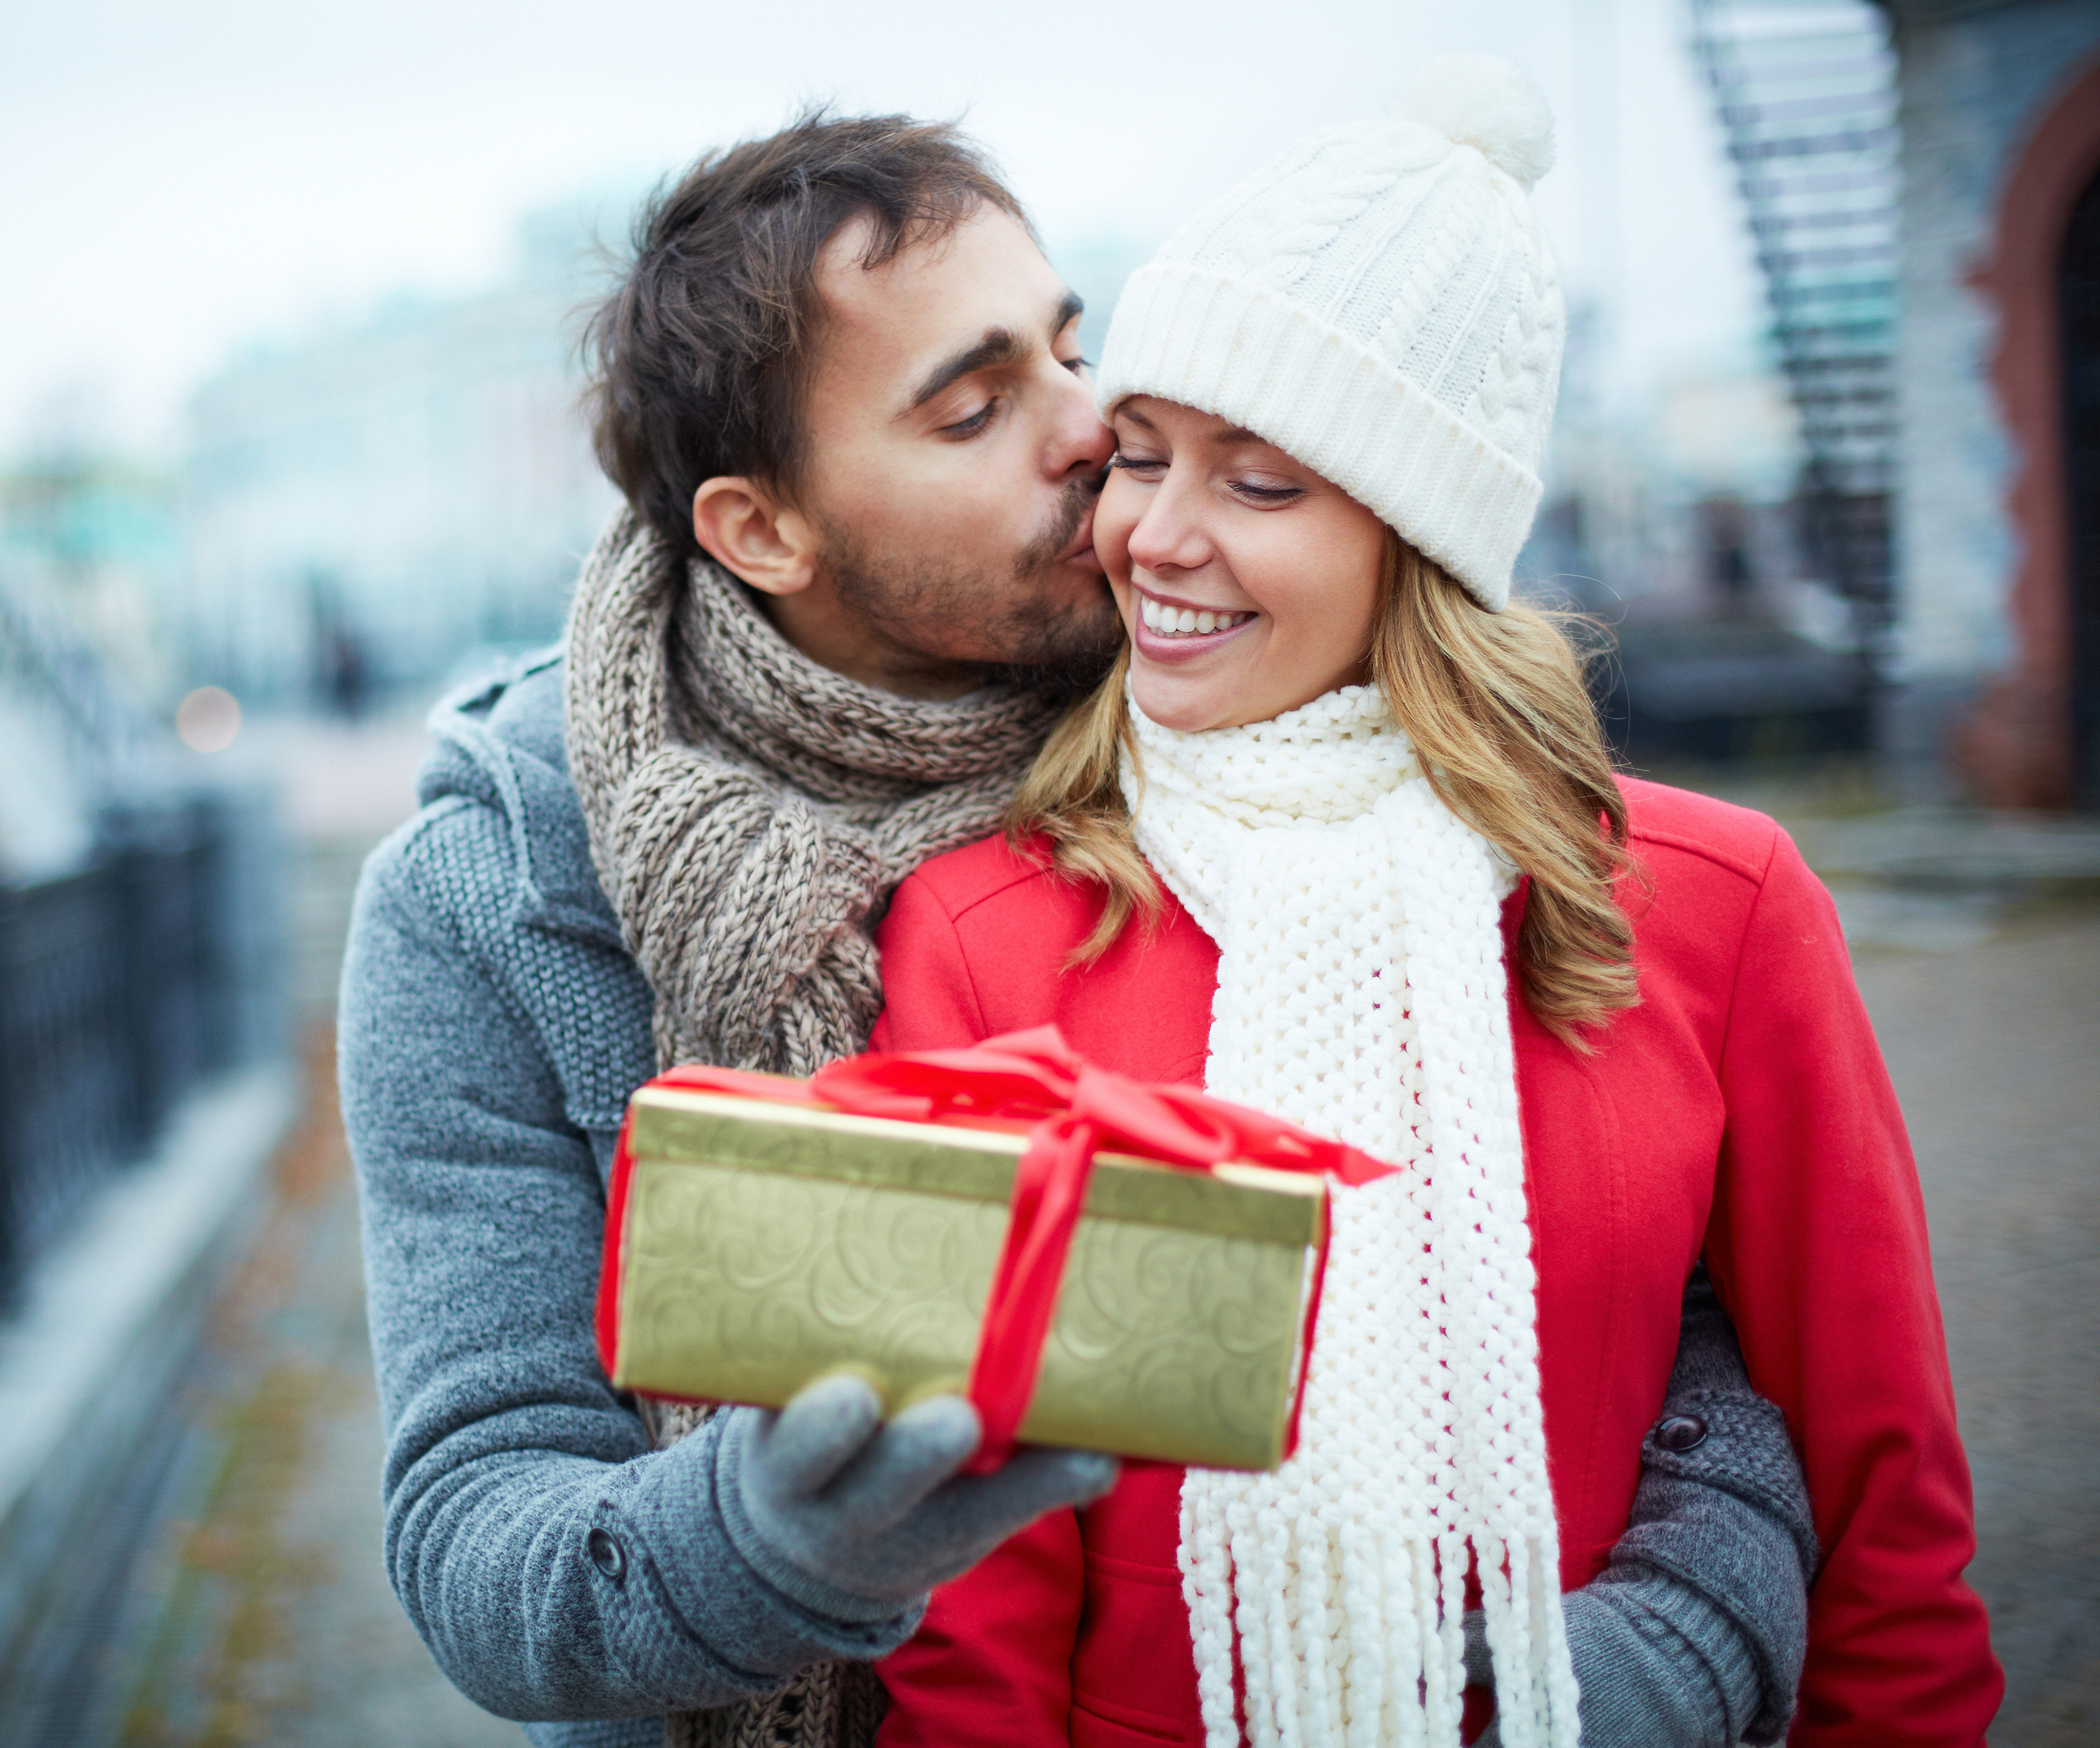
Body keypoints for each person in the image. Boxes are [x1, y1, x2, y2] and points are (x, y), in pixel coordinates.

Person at [341, 107, 1836, 1748]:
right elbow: (477, 1533)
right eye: (976, 407)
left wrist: (1677, 1630)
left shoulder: (1263, 715)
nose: (1094, 426)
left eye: (1073, 347)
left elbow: (1626, 1245)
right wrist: (775, 1534)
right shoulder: (498, 891)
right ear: (762, 531)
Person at [867, 59, 2001, 1748]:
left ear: (1421, 540)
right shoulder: (988, 931)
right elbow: (973, 1600)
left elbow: (1886, 1506)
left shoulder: (1708, 907)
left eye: (1262, 485)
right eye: (1145, 456)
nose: (1154, 539)